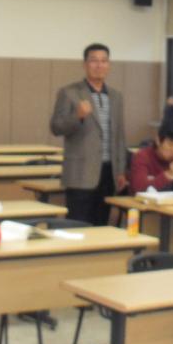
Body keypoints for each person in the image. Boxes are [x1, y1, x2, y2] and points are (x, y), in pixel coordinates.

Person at [50, 43, 128, 225]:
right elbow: (56, 127)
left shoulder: (116, 96)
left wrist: (120, 170)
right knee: (78, 226)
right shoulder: (69, 93)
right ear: (85, 64)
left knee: (101, 225)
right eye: (94, 61)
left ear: (108, 65)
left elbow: (119, 137)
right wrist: (77, 116)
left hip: (108, 172)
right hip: (80, 173)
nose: (99, 65)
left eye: (104, 61)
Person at [130, 126, 173, 193]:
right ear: (158, 140)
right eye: (170, 144)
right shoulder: (142, 157)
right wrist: (168, 174)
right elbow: (138, 189)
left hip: (170, 199)